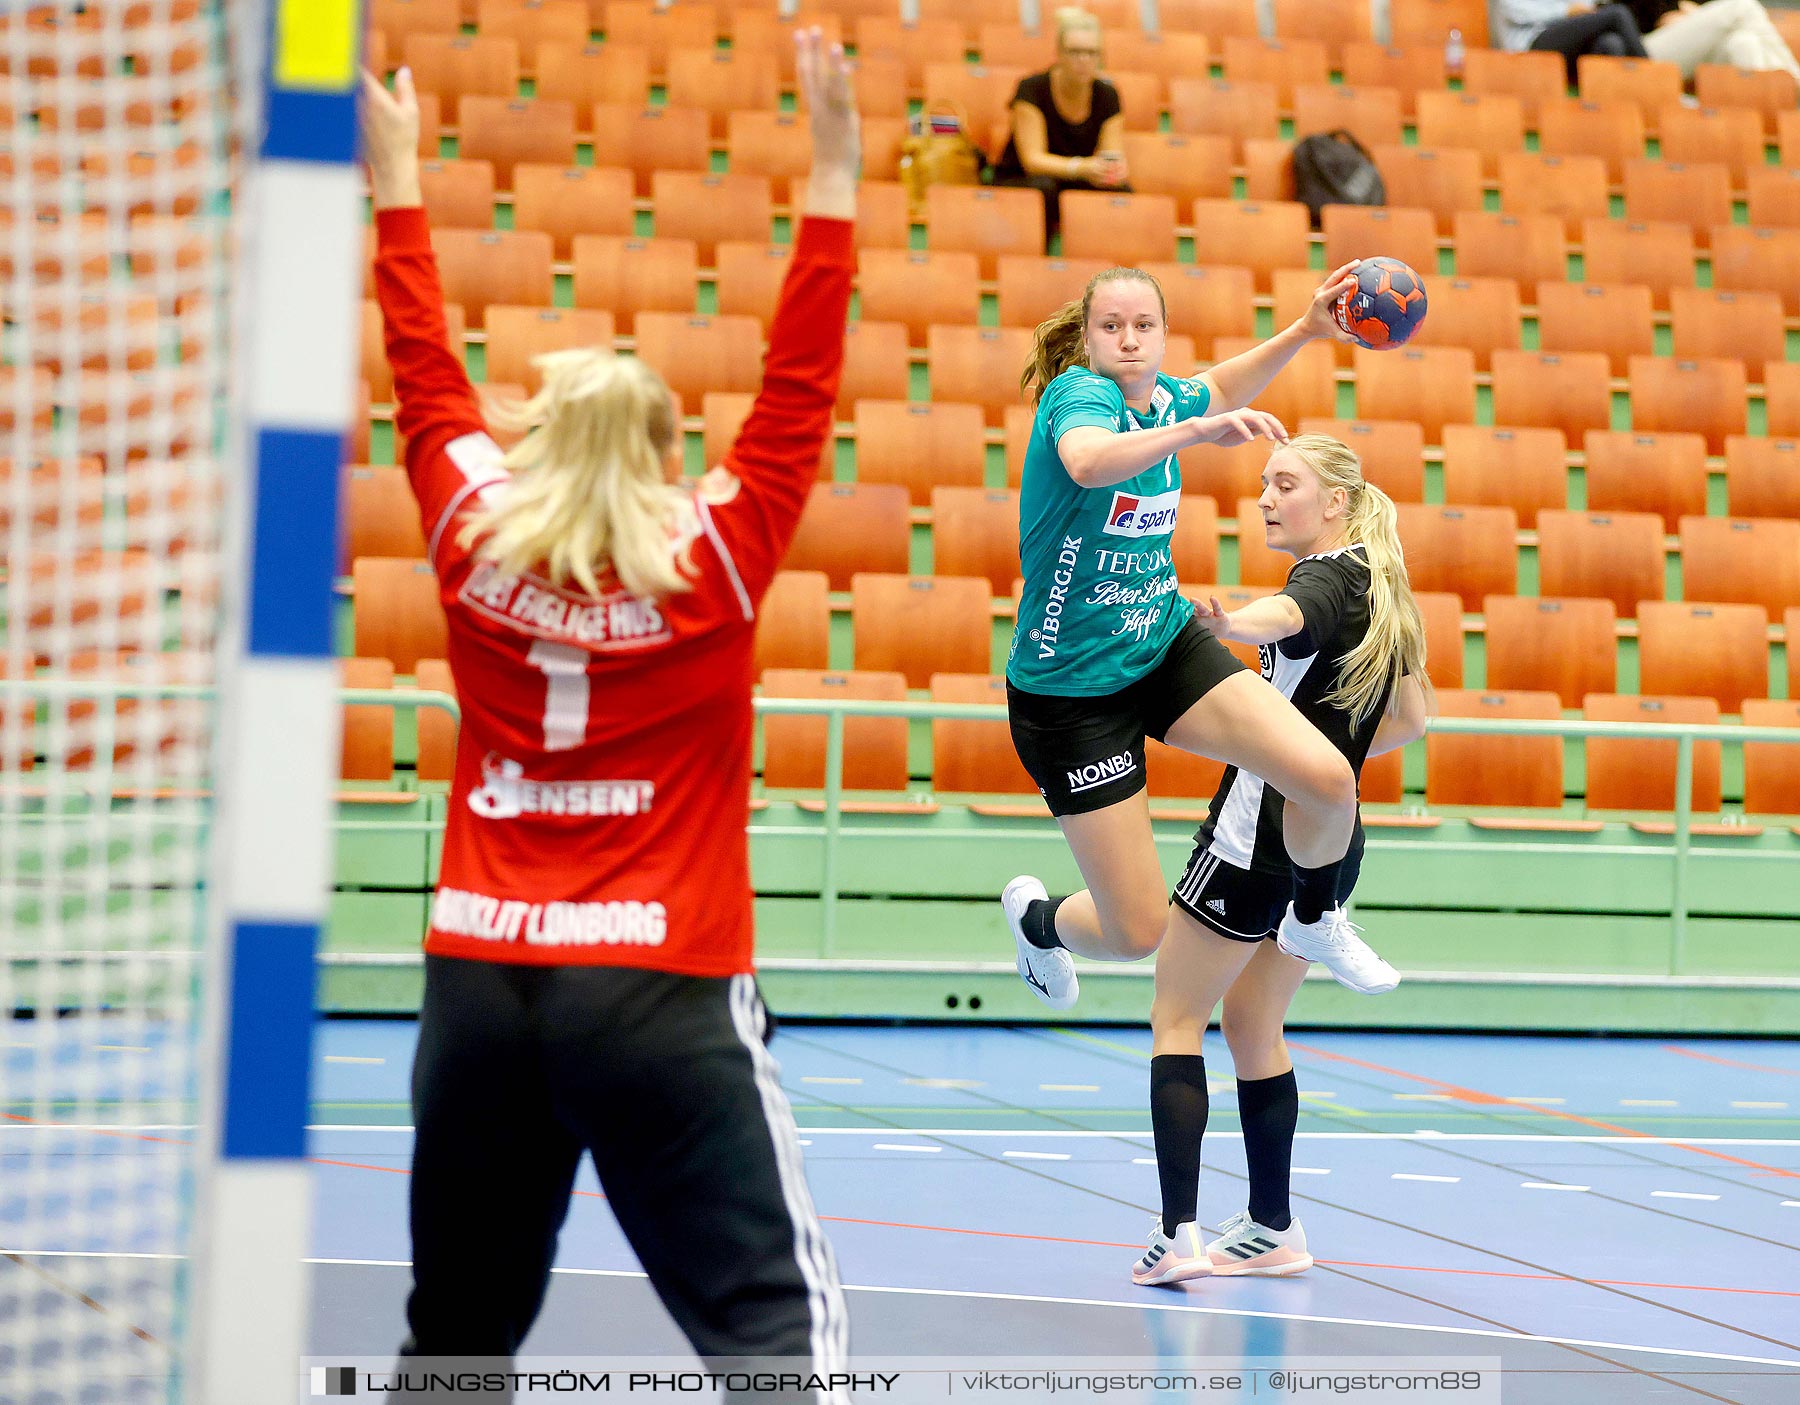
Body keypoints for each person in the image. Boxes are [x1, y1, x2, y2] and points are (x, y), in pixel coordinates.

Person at [359, 32, 857, 1398]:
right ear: (661, 457)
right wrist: (832, 169)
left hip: (479, 980)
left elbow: (422, 363)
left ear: (535, 441)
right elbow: (800, 388)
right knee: (771, 1342)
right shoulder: (715, 557)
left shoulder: (471, 528)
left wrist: (395, 180)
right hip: (660, 983)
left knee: (452, 1345)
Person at [1001, 264, 1402, 1016]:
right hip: (1069, 695)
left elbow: (1219, 388)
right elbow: (1088, 462)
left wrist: (1308, 329)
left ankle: (1313, 920)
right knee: (1136, 930)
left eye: (1143, 326)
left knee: (1324, 777)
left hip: (1161, 643)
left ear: (1162, 335)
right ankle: (1037, 921)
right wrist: (1189, 432)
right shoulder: (1079, 397)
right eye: (1111, 326)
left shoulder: (1166, 398)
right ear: (1088, 338)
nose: (1127, 339)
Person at [1130, 434, 1431, 1286]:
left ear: (1334, 500)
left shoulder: (1326, 576)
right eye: (1264, 481)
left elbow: (1288, 614)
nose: (1266, 495)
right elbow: (1409, 718)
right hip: (1327, 843)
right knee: (1254, 1025)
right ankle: (1272, 1224)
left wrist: (1231, 625)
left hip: (1253, 834)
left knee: (1176, 1015)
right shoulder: (1386, 585)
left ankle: (1176, 1234)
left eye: (1285, 483)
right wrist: (1327, 754)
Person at [991, 6, 1131, 249]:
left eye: (1091, 53)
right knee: (1044, 188)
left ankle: (1103, 267)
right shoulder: (1032, 89)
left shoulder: (1108, 95)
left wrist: (1112, 169)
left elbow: (1112, 154)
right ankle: (1039, 258)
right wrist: (1082, 167)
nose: (1084, 60)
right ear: (1058, 53)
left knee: (1122, 193)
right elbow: (1033, 161)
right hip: (1023, 178)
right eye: (1075, 52)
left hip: (1076, 178)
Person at [1630, 0, 1800, 81]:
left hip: (1702, 51)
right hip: (1643, 49)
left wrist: (1695, 15)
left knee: (1744, 43)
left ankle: (1770, 114)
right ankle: (1793, 80)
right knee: (1742, 6)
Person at [1495, 0, 1650, 83]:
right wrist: (1565, 11)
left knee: (1611, 43)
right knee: (1618, 14)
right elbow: (1514, 11)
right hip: (1531, 43)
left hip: (1572, 44)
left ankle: (1613, 116)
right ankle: (1653, 80)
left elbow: (1586, 6)